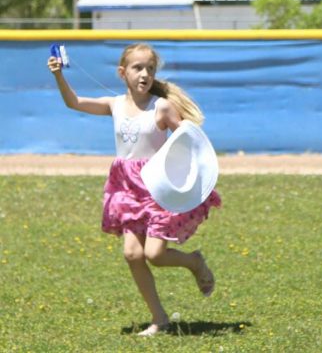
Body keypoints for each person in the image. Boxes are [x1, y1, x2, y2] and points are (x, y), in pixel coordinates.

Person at [48, 42, 221, 336]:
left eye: (150, 69)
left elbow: (188, 141)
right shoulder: (114, 105)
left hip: (157, 186)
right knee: (132, 253)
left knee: (154, 254)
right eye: (137, 68)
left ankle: (194, 261)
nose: (144, 74)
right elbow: (74, 102)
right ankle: (160, 319)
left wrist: (192, 173)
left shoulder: (162, 107)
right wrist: (58, 76)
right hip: (126, 187)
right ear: (122, 72)